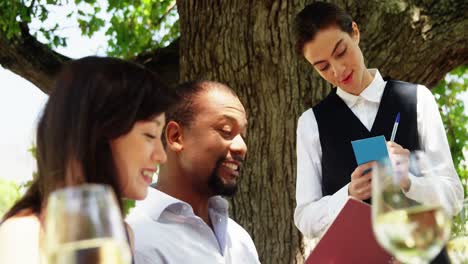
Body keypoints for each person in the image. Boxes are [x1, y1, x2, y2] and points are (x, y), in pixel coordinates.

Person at [292, 1, 463, 241]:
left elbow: (453, 197)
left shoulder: (418, 99)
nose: (338, 71)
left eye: (341, 52)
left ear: (355, 33)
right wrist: (349, 194)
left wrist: (408, 182)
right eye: (323, 67)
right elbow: (305, 219)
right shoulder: (311, 123)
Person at [0, 56, 176, 263]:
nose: (162, 156)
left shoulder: (123, 235)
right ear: (97, 134)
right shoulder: (23, 235)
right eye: (150, 135)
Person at [126, 81, 260, 263]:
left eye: (242, 135)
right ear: (176, 137)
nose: (241, 147)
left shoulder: (239, 240)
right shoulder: (129, 238)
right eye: (226, 131)